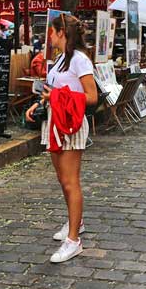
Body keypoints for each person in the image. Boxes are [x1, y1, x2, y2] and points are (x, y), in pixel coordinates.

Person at [25, 14, 98, 264]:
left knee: (70, 181)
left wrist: (58, 96)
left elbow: (91, 97)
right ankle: (75, 221)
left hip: (70, 123)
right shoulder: (59, 60)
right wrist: (40, 103)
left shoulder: (79, 60)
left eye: (51, 32)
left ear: (60, 33)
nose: (49, 37)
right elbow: (52, 90)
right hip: (55, 121)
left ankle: (74, 240)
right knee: (62, 179)